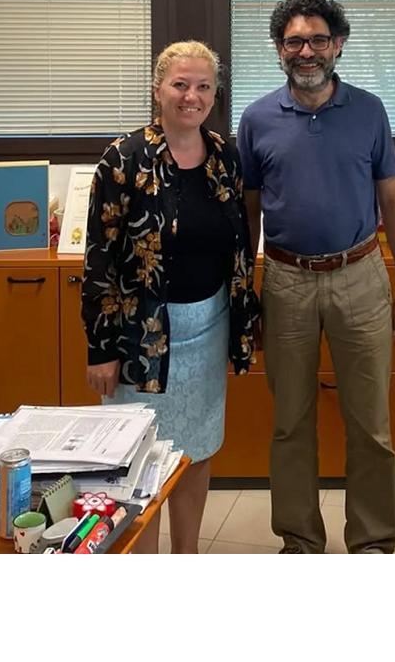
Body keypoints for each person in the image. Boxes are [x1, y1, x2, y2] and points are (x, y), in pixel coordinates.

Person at [237, 0, 395, 554]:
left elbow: (392, 200)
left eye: (318, 39)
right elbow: (247, 212)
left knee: (370, 422)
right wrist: (245, 294)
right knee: (290, 421)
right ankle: (300, 539)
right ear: (279, 49)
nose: (307, 51)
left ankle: (373, 540)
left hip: (360, 275)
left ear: (338, 45)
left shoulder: (369, 110)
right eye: (294, 41)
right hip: (285, 281)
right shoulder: (256, 118)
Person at [82, 40, 260, 554]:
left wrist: (245, 322)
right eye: (180, 84)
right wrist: (100, 349)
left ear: (215, 94)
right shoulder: (124, 158)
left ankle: (186, 556)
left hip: (208, 329)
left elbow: (239, 244)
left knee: (197, 450)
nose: (191, 96)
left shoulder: (224, 155)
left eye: (203, 86)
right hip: (139, 334)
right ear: (158, 89)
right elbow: (99, 257)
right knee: (140, 461)